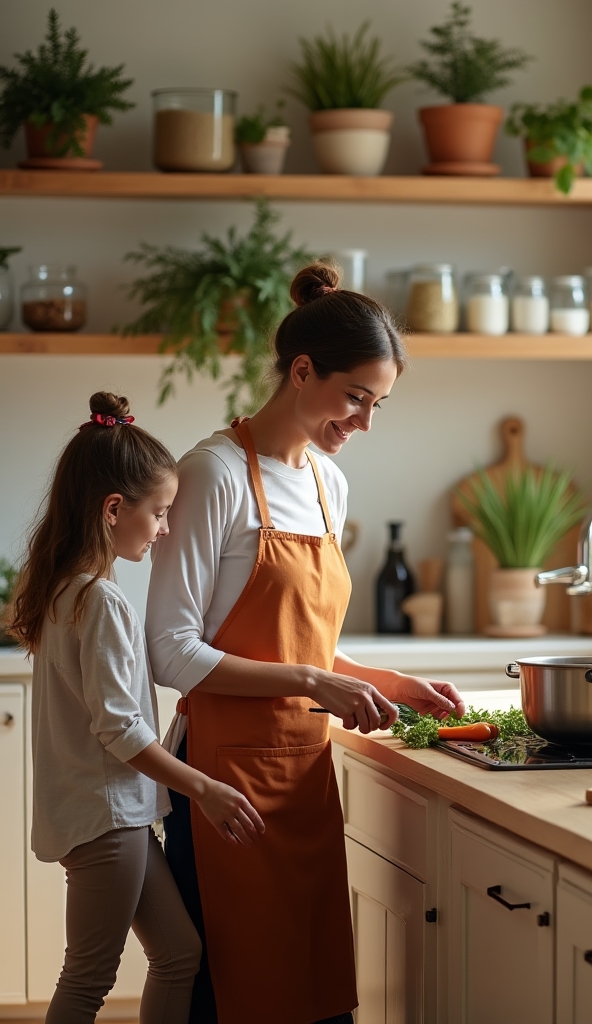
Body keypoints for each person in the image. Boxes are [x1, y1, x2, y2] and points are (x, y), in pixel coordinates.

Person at [146, 263, 466, 1024]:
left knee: (315, 994)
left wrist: (383, 681)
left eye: (378, 403)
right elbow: (169, 649)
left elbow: (308, 646)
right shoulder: (213, 474)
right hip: (221, 784)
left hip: (302, 776)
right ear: (300, 371)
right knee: (231, 992)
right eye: (355, 397)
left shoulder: (329, 483)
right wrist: (317, 684)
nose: (364, 422)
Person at [6, 392, 263, 1024]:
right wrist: (203, 788)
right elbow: (120, 730)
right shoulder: (101, 603)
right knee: (89, 979)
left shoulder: (64, 591)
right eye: (161, 512)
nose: (167, 528)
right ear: (114, 509)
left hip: (104, 817)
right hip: (108, 821)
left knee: (179, 953)